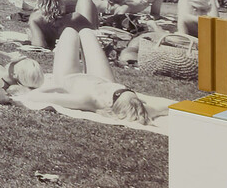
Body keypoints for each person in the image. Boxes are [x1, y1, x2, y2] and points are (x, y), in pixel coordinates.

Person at [13, 26, 151, 123]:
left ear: (109, 103)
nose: (117, 88)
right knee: (86, 32)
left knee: (69, 32)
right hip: (102, 79)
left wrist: (58, 88)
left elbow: (34, 96)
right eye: (125, 89)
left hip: (69, 77)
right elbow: (160, 107)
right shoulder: (123, 97)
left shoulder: (87, 100)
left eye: (117, 93)